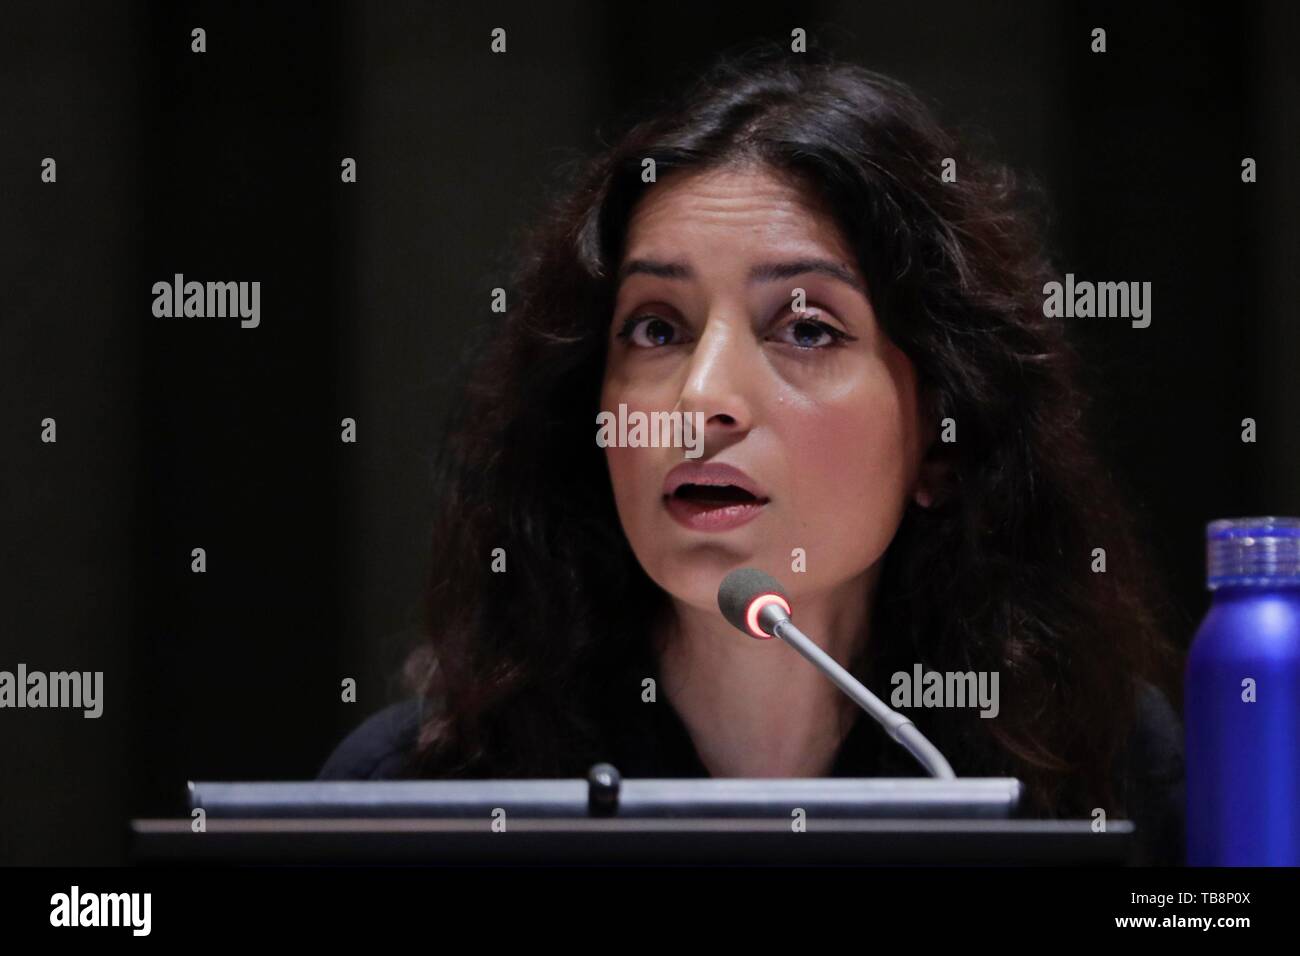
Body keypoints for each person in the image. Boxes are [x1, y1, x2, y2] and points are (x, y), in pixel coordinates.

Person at [319, 44, 1185, 865]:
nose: (701, 399)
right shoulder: (420, 795)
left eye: (806, 329)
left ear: (940, 439)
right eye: (656, 329)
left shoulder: (1094, 766)